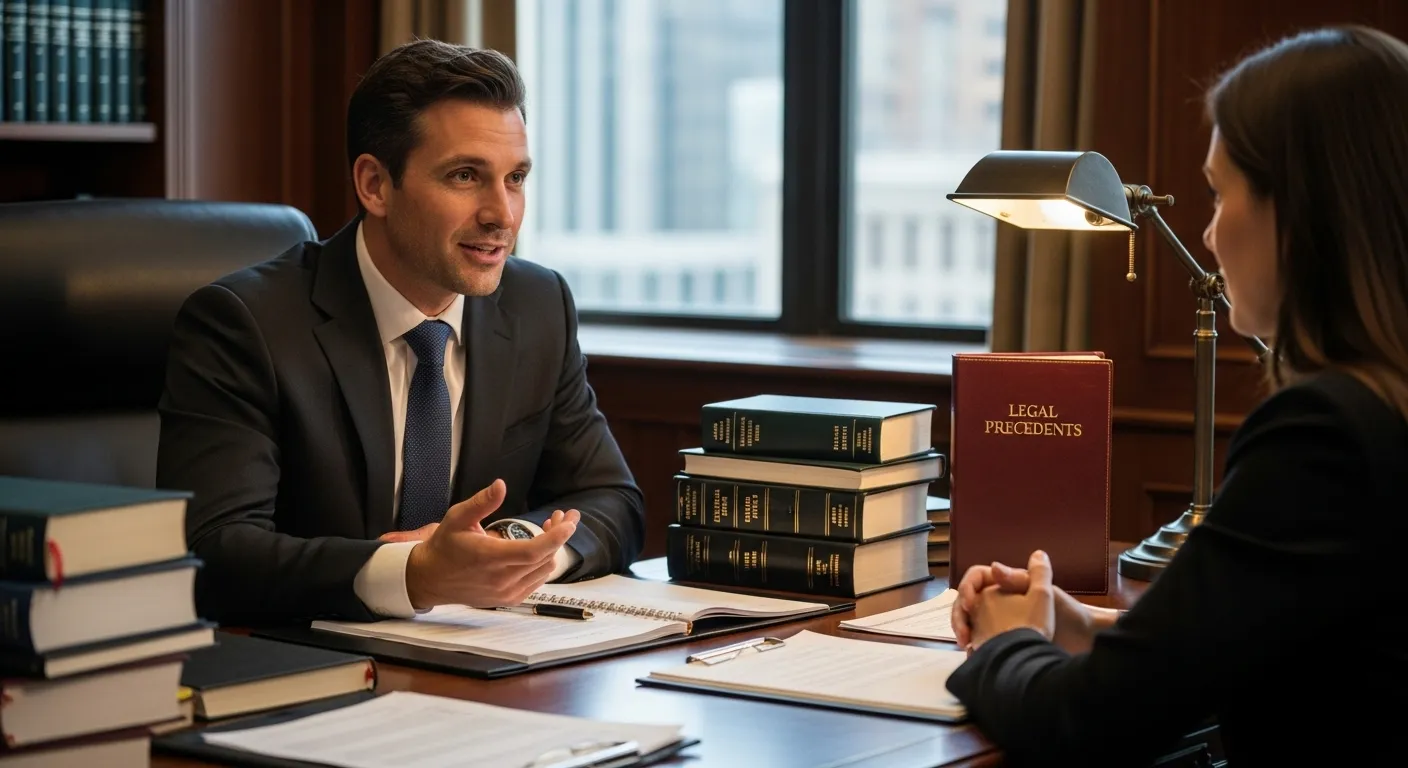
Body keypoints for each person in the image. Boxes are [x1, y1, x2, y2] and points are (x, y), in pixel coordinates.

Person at [946, 25, 1408, 765]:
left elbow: (1088, 727)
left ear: (1301, 215)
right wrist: (1081, 629)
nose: (1210, 234)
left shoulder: (1326, 436)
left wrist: (1005, 646)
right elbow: (1267, 640)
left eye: (1221, 195)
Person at [156, 40, 645, 627]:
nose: (503, 214)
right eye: (465, 176)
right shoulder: (245, 322)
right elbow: (214, 549)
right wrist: (413, 573)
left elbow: (613, 502)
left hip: (487, 664)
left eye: (515, 178)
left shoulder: (538, 305)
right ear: (375, 185)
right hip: (308, 671)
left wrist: (517, 553)